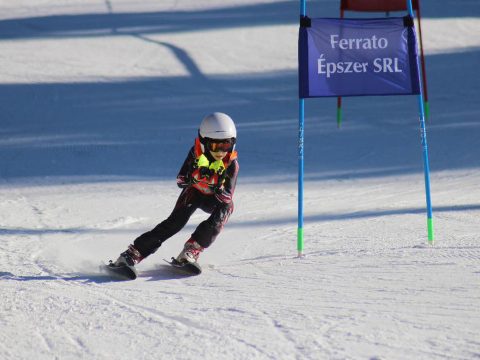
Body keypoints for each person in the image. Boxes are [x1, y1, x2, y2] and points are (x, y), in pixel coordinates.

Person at [112, 112, 239, 268]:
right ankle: (133, 254)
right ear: (204, 142)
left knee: (227, 208)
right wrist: (193, 178)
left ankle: (193, 249)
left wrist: (218, 188)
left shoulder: (231, 164)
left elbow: (227, 197)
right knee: (174, 223)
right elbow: (180, 180)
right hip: (194, 193)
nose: (220, 151)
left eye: (225, 145)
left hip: (213, 201)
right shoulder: (196, 154)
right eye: (215, 145)